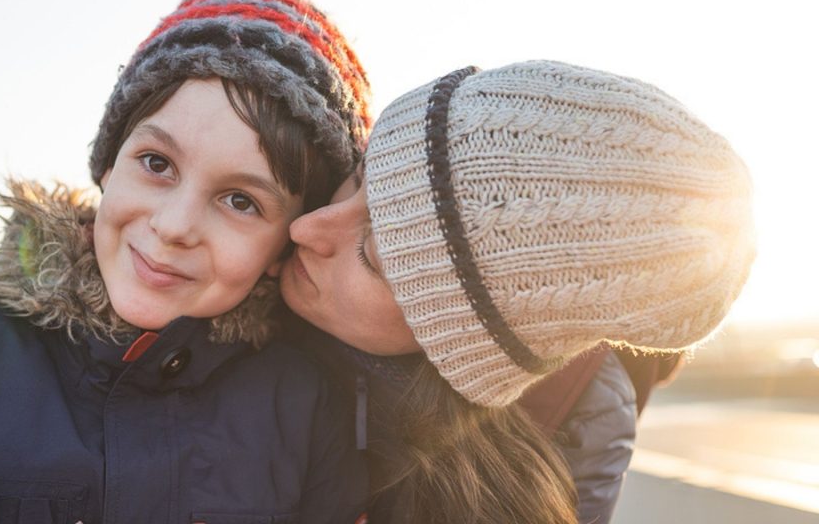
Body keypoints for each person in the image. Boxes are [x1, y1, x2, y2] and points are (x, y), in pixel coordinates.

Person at [0, 0, 373, 524]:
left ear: (284, 246)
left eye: (239, 200)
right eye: (157, 163)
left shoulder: (309, 407)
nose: (173, 227)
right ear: (107, 165)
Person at [277, 61, 755, 523]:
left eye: (373, 257)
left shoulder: (573, 434)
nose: (305, 228)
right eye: (359, 178)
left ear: (456, 348)